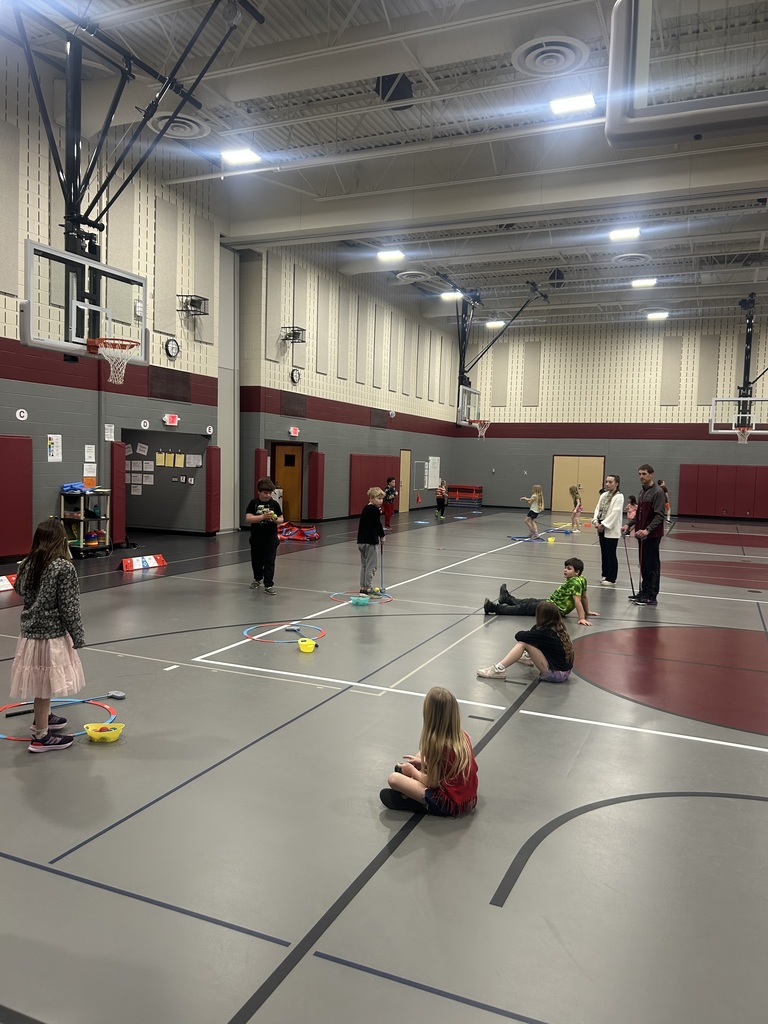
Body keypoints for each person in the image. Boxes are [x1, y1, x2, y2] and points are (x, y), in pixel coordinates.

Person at [10, 520, 85, 752]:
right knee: (45, 683)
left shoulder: (28, 564)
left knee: (42, 679)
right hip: (50, 636)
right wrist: (78, 635)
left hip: (29, 634)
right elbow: (69, 606)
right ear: (61, 540)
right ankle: (41, 737)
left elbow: (19, 589)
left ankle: (46, 716)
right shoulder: (63, 567)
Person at [379, 686, 478, 816]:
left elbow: (433, 783)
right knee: (420, 754)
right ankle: (411, 791)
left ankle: (418, 803)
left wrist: (412, 771)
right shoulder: (462, 736)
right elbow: (449, 769)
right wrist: (423, 764)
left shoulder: (437, 745)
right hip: (468, 798)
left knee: (394, 779)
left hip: (450, 804)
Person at [483, 557, 598, 626]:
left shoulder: (575, 582)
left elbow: (578, 600)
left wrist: (582, 618)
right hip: (552, 603)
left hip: (555, 609)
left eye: (569, 569)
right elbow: (584, 597)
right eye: (565, 567)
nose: (565, 570)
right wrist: (587, 611)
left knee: (525, 608)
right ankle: (507, 598)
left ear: (577, 572)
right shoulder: (582, 579)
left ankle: (494, 608)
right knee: (531, 601)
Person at [477, 601, 574, 682]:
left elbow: (519, 636)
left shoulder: (545, 632)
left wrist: (534, 631)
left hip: (556, 674)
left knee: (522, 644)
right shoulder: (559, 628)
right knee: (532, 640)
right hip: (566, 671)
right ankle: (527, 657)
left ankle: (498, 669)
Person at [622, 464, 665, 606]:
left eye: (644, 474)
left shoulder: (658, 492)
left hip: (651, 536)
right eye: (639, 474)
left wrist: (648, 530)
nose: (641, 476)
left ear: (652, 474)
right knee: (644, 565)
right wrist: (629, 525)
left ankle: (651, 596)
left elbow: (659, 516)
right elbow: (639, 514)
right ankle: (644, 591)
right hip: (641, 535)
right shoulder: (642, 492)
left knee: (652, 565)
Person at [245, 477, 284, 595]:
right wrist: (262, 517)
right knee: (256, 560)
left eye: (269, 493)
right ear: (259, 492)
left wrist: (275, 519)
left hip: (271, 537)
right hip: (257, 537)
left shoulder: (275, 504)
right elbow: (248, 518)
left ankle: (268, 584)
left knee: (269, 561)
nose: (268, 495)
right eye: (265, 493)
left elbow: (281, 519)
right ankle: (257, 579)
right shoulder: (254, 503)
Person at [592, 474, 624, 586]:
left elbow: (615, 513)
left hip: (610, 529)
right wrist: (596, 521)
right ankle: (605, 574)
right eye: (606, 482)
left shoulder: (619, 496)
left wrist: (604, 525)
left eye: (610, 482)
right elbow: (598, 508)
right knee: (604, 553)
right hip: (600, 527)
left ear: (616, 484)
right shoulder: (604, 495)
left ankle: (611, 578)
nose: (607, 484)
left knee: (611, 553)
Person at [357, 485, 385, 595]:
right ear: (371, 499)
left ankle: (363, 587)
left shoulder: (365, 508)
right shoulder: (374, 510)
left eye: (382, 499)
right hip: (370, 541)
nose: (381, 501)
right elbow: (378, 525)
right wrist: (382, 536)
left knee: (364, 565)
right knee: (371, 566)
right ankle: (368, 588)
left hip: (361, 541)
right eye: (378, 498)